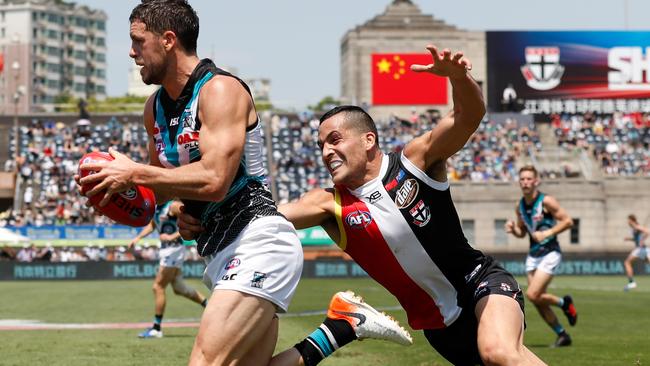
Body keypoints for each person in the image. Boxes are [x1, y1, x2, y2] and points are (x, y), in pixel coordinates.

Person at [78, 1, 410, 365]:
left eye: (138, 41)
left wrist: (134, 173)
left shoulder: (220, 90)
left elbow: (216, 180)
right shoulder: (153, 109)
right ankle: (341, 327)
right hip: (219, 251)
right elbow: (162, 187)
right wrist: (120, 192)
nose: (131, 52)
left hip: (258, 240)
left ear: (168, 40)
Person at [180, 45, 547, 365]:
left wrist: (459, 77)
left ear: (368, 139)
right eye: (321, 145)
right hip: (438, 327)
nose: (326, 152)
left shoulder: (414, 162)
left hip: (480, 283)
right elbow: (261, 220)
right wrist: (199, 216)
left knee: (500, 353)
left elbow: (468, 117)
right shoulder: (328, 204)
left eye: (335, 140)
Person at [505, 165, 578, 347]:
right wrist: (514, 230)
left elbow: (568, 221)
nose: (525, 182)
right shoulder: (519, 205)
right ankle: (562, 334)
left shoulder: (547, 201)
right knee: (537, 300)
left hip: (550, 252)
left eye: (529, 179)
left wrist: (548, 233)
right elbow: (523, 232)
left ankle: (563, 303)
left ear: (536, 181)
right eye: (522, 179)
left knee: (532, 294)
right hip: (533, 254)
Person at [129, 199, 207, 338]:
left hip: (174, 250)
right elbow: (153, 224)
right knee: (179, 288)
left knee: (158, 287)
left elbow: (193, 222)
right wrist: (138, 238)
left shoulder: (173, 206)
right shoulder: (155, 208)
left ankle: (156, 328)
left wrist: (172, 236)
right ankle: (209, 306)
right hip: (167, 251)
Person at [622, 214, 649, 291]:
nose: (627, 222)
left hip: (640, 249)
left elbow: (647, 232)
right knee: (647, 262)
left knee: (627, 262)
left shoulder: (637, 226)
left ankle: (631, 282)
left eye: (628, 220)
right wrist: (629, 239)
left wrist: (642, 240)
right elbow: (636, 238)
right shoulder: (634, 228)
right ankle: (631, 283)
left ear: (631, 220)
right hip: (645, 249)